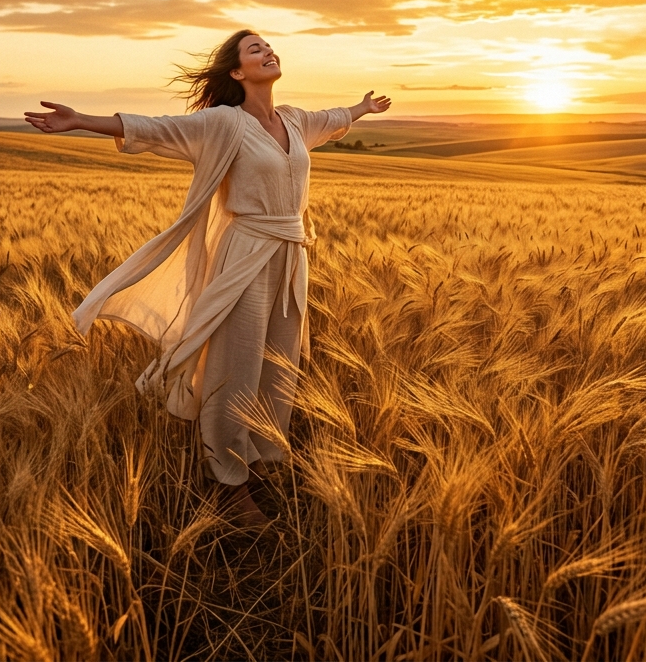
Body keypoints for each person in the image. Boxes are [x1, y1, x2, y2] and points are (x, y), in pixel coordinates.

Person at [24, 30, 391, 526]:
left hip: (291, 256)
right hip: (245, 253)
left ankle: (261, 464)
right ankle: (227, 485)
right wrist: (81, 120)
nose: (268, 51)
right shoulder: (223, 123)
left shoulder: (296, 121)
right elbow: (157, 128)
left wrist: (363, 108)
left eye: (269, 45)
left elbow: (335, 120)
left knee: (279, 368)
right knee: (234, 368)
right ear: (237, 72)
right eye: (254, 48)